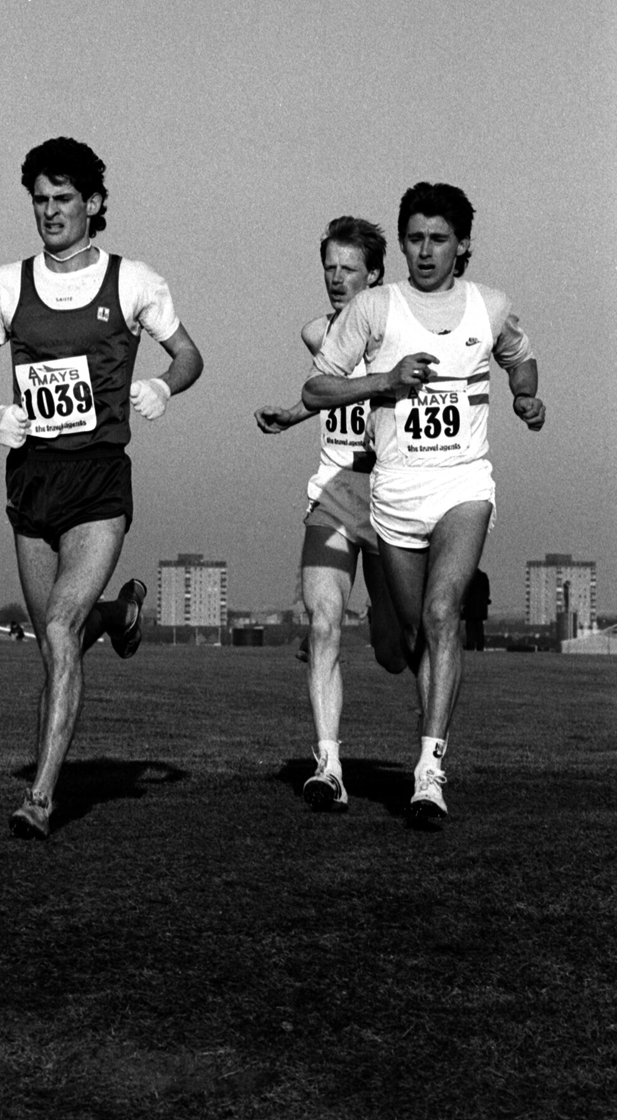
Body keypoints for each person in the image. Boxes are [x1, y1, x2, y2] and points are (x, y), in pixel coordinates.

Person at [0, 137, 203, 840]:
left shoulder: (134, 282)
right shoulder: (5, 284)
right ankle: (120, 617)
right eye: (40, 200)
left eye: (63, 199)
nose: (50, 212)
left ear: (95, 204)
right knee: (52, 638)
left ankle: (40, 797)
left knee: (61, 630)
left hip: (99, 479)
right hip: (33, 478)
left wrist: (162, 383)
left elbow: (189, 353)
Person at [304, 182, 545, 823]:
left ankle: (429, 772)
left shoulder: (489, 306)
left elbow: (520, 358)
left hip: (463, 486)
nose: (426, 250)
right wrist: (383, 380)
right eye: (415, 238)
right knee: (412, 637)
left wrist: (525, 395)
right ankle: (420, 738)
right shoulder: (376, 309)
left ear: (462, 244)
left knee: (444, 614)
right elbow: (318, 385)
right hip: (395, 494)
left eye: (439, 238)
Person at [255, 217, 406, 812]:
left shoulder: (400, 332)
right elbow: (331, 388)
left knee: (396, 653)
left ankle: (389, 627)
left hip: (394, 496)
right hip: (334, 496)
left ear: (374, 274)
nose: (336, 279)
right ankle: (329, 764)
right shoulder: (315, 332)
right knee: (322, 623)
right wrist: (296, 414)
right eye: (329, 268)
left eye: (349, 269)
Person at [462, 568, 490, 651]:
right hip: (480, 607)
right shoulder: (483, 576)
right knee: (479, 627)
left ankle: (470, 645)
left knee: (470, 627)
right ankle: (480, 646)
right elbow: (487, 591)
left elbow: (465, 592)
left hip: (470, 606)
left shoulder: (467, 577)